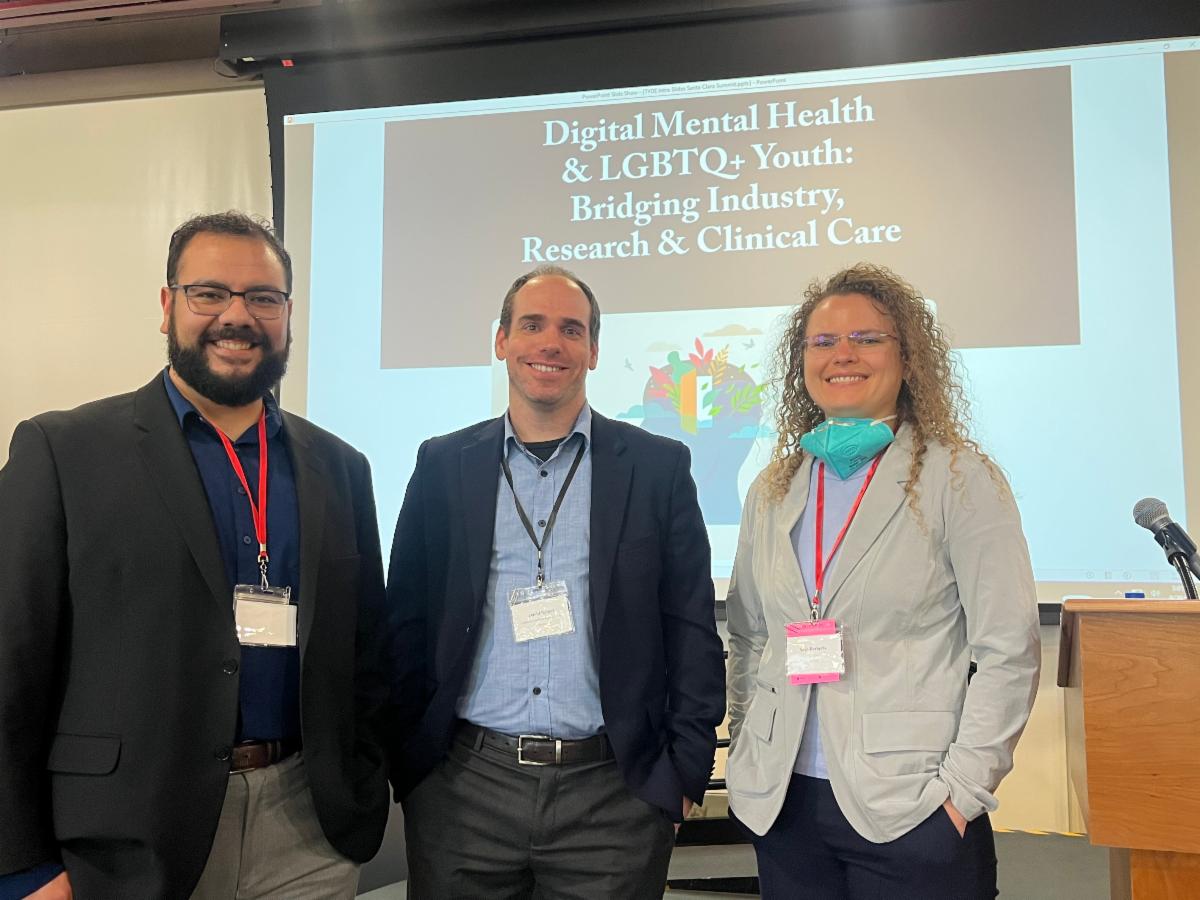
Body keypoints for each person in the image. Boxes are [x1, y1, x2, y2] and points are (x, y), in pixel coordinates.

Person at [0, 212, 391, 899]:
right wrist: (23, 864)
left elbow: (366, 654)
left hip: (307, 831)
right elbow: (9, 665)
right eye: (210, 292)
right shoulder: (63, 452)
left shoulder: (341, 466)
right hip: (125, 842)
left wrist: (360, 781)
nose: (237, 316)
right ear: (166, 306)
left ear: (289, 315)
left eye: (263, 298)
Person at [387, 264, 726, 898]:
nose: (551, 343)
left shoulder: (656, 467)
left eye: (571, 330)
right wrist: (413, 762)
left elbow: (689, 628)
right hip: (465, 791)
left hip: (613, 795)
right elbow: (404, 620)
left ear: (594, 351)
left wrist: (684, 773)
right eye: (532, 325)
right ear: (501, 341)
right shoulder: (442, 463)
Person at [724, 263, 1041, 899]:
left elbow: (1007, 650)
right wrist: (744, 757)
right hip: (784, 803)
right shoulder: (774, 489)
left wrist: (961, 793)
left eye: (868, 339)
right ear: (802, 362)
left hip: (912, 807)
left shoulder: (959, 479)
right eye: (823, 342)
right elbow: (751, 636)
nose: (844, 355)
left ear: (908, 358)